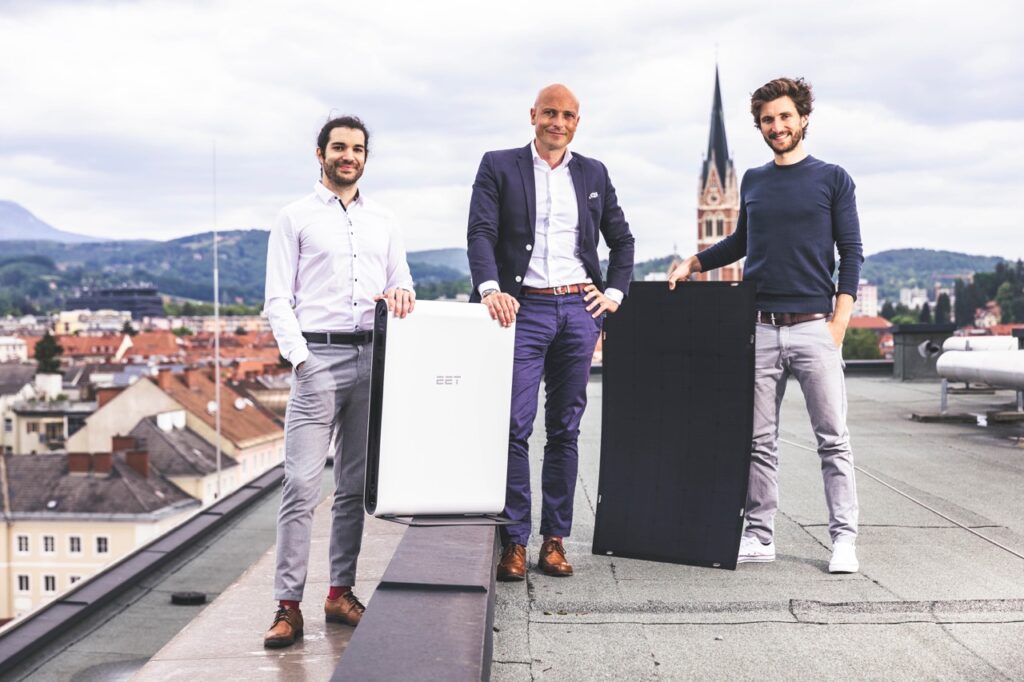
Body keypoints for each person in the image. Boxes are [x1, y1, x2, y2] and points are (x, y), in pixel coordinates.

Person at [668, 77, 864, 574]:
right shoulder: (753, 180)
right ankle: (760, 535)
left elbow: (852, 253)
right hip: (759, 326)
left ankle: (843, 540)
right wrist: (694, 261)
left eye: (784, 117)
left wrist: (838, 324)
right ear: (760, 126)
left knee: (832, 438)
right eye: (767, 120)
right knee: (758, 441)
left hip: (814, 326)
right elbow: (739, 243)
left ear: (802, 119)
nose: (777, 126)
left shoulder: (833, 178)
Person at [468, 84, 635, 581]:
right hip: (523, 311)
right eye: (549, 113)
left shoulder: (593, 173)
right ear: (533, 115)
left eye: (567, 115)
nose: (557, 122)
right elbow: (481, 232)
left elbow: (622, 240)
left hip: (580, 310)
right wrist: (490, 288)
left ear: (576, 122)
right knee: (515, 426)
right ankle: (514, 541)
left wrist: (613, 297)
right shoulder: (499, 165)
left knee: (565, 428)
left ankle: (554, 541)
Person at [263, 115, 415, 647]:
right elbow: (277, 299)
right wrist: (301, 360)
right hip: (317, 359)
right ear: (320, 153)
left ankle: (339, 593)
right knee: (302, 484)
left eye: (357, 149)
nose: (348, 156)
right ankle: (287, 606)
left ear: (366, 158)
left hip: (372, 360)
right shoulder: (294, 217)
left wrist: (400, 297)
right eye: (339, 147)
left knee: (352, 488)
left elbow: (402, 283)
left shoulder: (385, 220)